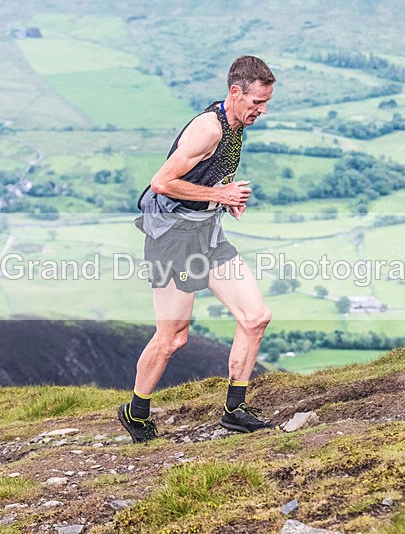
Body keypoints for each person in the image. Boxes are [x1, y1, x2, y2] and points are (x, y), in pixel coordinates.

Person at [118, 55, 276, 443]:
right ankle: (136, 413)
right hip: (172, 240)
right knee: (173, 337)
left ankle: (235, 411)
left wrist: (224, 199)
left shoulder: (237, 125)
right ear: (235, 92)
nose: (263, 110)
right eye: (257, 102)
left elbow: (205, 179)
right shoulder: (208, 128)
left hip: (206, 234)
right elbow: (161, 182)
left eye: (266, 102)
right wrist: (219, 194)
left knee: (256, 317)